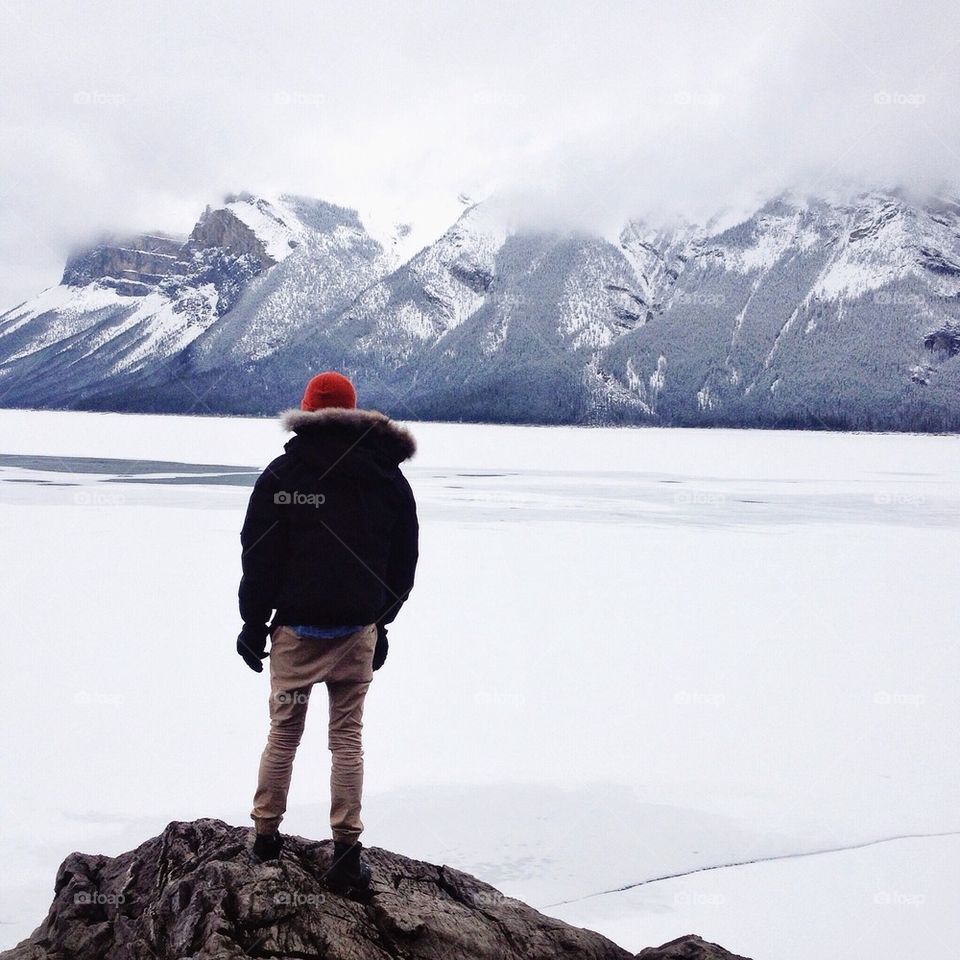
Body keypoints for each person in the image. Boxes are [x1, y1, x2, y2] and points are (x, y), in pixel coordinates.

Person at [236, 371, 418, 889]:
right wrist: (381, 622)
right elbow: (403, 563)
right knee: (347, 740)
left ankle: (266, 840)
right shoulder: (388, 479)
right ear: (355, 413)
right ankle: (344, 852)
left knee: (284, 735)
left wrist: (253, 622)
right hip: (356, 633)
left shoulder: (281, 476)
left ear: (307, 412)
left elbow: (259, 555)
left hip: (296, 635)